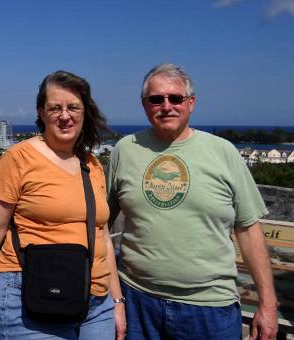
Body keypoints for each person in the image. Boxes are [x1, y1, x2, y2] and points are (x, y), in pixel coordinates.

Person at [0, 70, 127, 339]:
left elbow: (101, 235)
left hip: (95, 303)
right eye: (55, 108)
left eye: (73, 107)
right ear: (41, 113)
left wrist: (116, 301)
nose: (65, 116)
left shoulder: (91, 165)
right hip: (31, 296)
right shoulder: (18, 158)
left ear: (84, 112)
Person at [106, 63, 278, 340]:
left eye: (175, 98)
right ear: (144, 105)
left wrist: (268, 305)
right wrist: (115, 299)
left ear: (191, 103)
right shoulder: (125, 150)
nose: (166, 106)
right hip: (137, 301)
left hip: (209, 308)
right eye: (156, 99)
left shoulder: (223, 153)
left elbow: (248, 230)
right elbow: (101, 224)